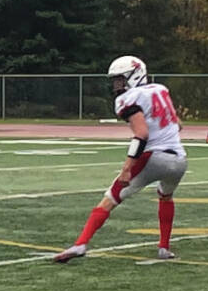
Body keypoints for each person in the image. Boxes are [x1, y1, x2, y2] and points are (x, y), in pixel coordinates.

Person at [53, 55, 185, 262]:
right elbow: (178, 124)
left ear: (134, 76)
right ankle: (164, 248)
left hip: (153, 158)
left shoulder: (128, 99)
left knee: (110, 199)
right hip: (179, 160)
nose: (117, 85)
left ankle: (80, 244)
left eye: (120, 79)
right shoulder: (160, 90)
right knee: (166, 196)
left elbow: (141, 135)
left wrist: (127, 168)